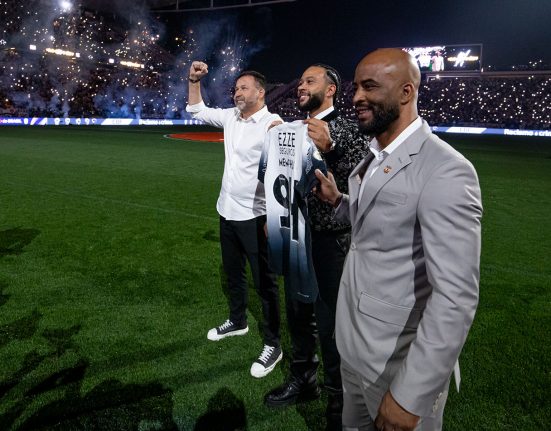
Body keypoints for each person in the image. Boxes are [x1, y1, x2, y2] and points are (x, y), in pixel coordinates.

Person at [314, 48, 482, 431]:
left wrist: (411, 395)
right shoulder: (376, 153)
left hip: (396, 362)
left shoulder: (447, 171)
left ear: (406, 92)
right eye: (356, 86)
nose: (356, 97)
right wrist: (338, 201)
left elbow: (456, 298)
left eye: (369, 87)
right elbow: (379, 225)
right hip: (355, 348)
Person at [264, 64, 369, 430]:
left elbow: (361, 167)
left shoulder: (350, 125)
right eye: (300, 82)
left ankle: (339, 399)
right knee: (298, 312)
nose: (300, 87)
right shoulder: (292, 129)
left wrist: (333, 146)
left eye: (310, 81)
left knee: (331, 324)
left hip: (330, 242)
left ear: (331, 89)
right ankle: (304, 378)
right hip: (294, 234)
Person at [186, 61, 283, 378]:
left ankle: (273, 344)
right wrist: (193, 80)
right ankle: (238, 321)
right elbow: (196, 110)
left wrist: (273, 214)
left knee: (265, 284)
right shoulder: (230, 116)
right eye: (236, 88)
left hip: (256, 217)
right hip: (226, 211)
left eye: (243, 87)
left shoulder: (273, 124)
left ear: (260, 92)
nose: (237, 91)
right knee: (233, 274)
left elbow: (281, 178)